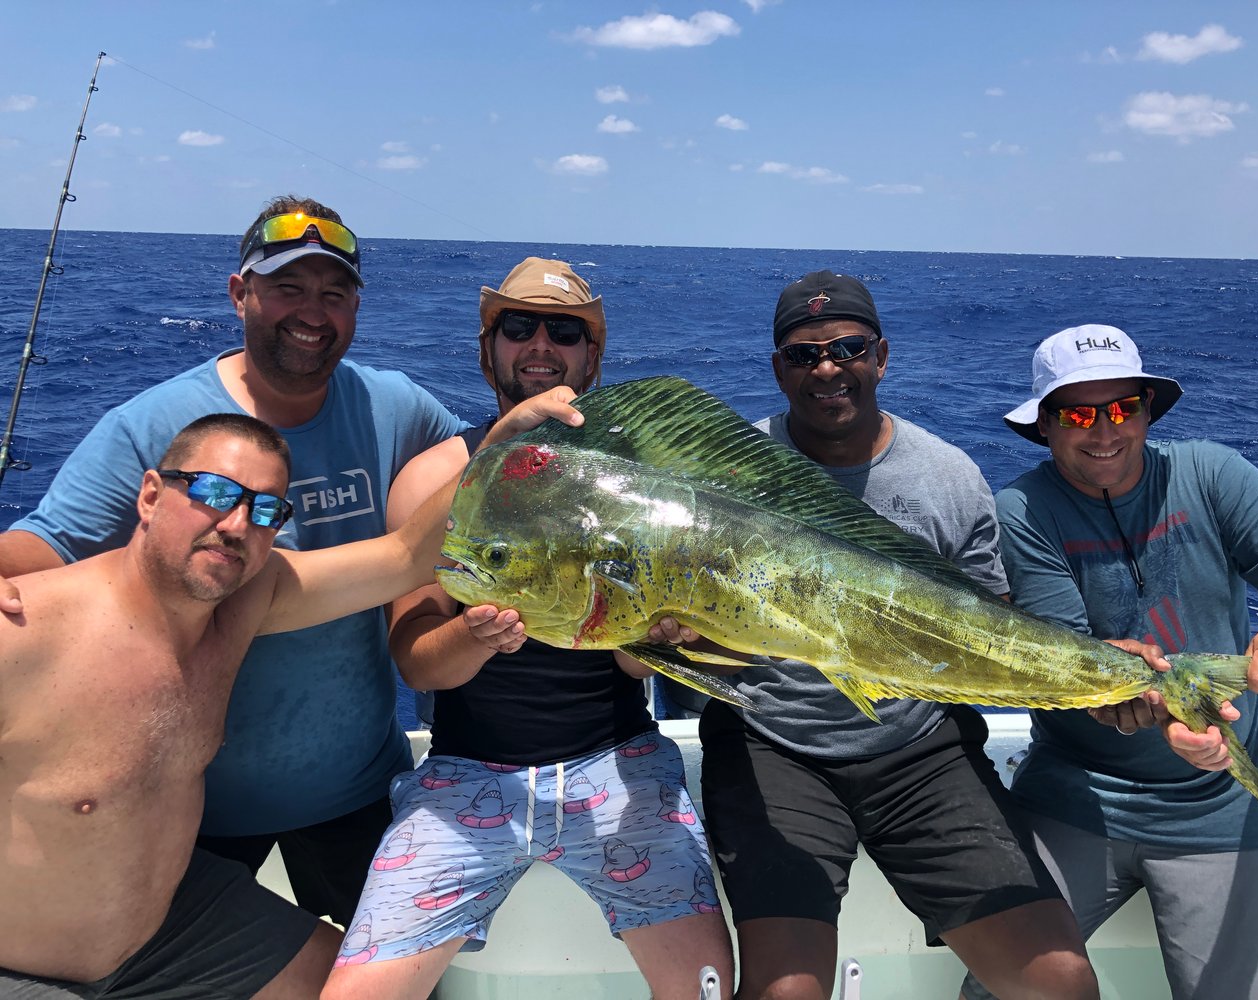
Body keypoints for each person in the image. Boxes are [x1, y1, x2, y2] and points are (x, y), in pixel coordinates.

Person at [0, 403, 578, 997]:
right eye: (214, 492)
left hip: (173, 930)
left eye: (266, 510)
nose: (235, 524)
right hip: (30, 969)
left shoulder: (247, 598)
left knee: (382, 987)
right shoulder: (23, 630)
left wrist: (497, 449)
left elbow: (406, 557)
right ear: (150, 495)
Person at [0, 195, 467, 926]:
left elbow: (490, 475)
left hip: (359, 793)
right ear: (239, 291)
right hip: (191, 809)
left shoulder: (397, 408)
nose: (312, 311)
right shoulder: (150, 425)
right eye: (287, 287)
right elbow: (35, 554)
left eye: (333, 294)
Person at [659, 271, 1097, 1000]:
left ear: (880, 357)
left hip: (919, 751)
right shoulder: (720, 476)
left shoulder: (948, 477)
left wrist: (1103, 676)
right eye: (803, 356)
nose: (826, 368)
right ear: (778, 369)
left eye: (846, 348)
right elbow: (693, 650)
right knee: (784, 992)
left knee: (1061, 982)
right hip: (772, 744)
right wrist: (683, 642)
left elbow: (988, 625)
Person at [322, 258, 734, 1000]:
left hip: (617, 762)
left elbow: (638, 666)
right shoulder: (432, 478)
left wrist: (672, 636)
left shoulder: (642, 482)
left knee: (706, 987)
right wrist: (473, 638)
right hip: (465, 776)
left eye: (564, 330)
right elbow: (416, 662)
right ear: (487, 349)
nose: (539, 343)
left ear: (591, 355)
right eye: (517, 326)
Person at [962, 324, 1258, 1000]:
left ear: (1145, 411)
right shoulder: (1021, 510)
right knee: (998, 989)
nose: (1103, 430)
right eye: (1077, 413)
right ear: (1043, 425)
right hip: (1074, 797)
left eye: (1121, 408)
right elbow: (1073, 668)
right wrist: (1165, 716)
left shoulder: (1210, 471)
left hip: (1221, 808)